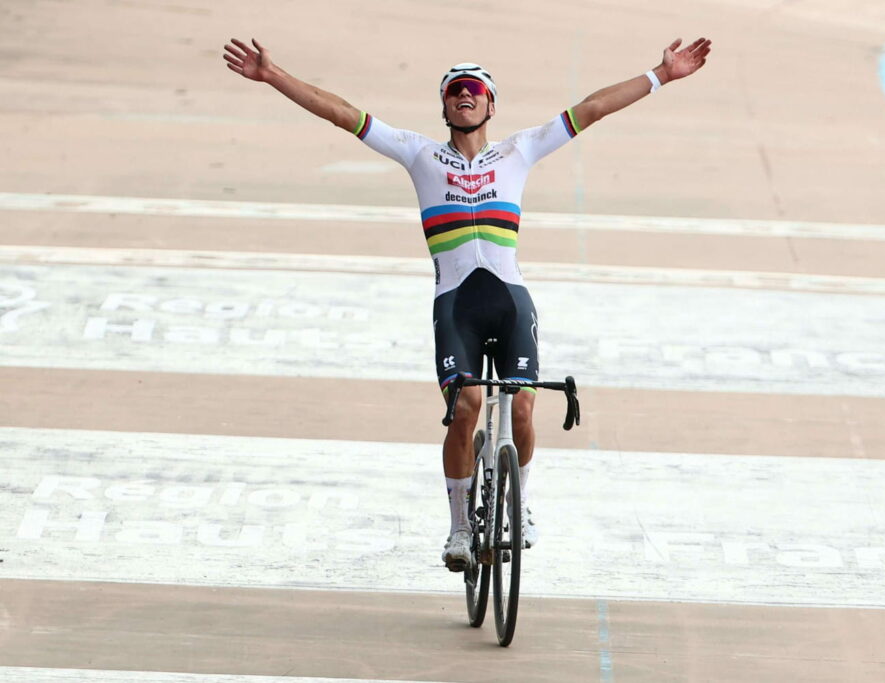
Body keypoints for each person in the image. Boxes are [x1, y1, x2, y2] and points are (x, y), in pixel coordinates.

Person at [222, 36, 712, 571]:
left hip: (509, 299)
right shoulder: (418, 152)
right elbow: (343, 114)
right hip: (456, 305)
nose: (464, 97)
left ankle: (519, 507)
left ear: (491, 105)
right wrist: (275, 76)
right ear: (444, 106)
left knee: (523, 405)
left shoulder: (519, 149)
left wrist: (660, 75)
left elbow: (591, 109)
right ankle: (459, 528)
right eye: (454, 91)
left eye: (474, 90)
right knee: (466, 409)